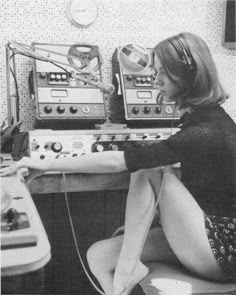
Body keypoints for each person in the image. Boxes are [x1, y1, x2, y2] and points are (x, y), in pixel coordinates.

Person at [0, 32, 236, 295]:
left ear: (187, 75)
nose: (155, 81)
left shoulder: (208, 130)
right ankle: (123, 280)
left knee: (149, 169)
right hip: (202, 233)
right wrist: (143, 225)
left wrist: (46, 164)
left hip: (223, 252)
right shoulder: (199, 122)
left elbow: (122, 161)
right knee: (98, 256)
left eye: (162, 73)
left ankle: (128, 267)